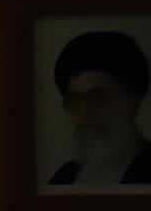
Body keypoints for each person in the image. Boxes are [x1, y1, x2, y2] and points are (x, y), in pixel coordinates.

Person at [47, 31, 151, 185]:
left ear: (132, 99)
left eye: (97, 98)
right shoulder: (64, 178)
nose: (85, 112)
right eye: (74, 100)